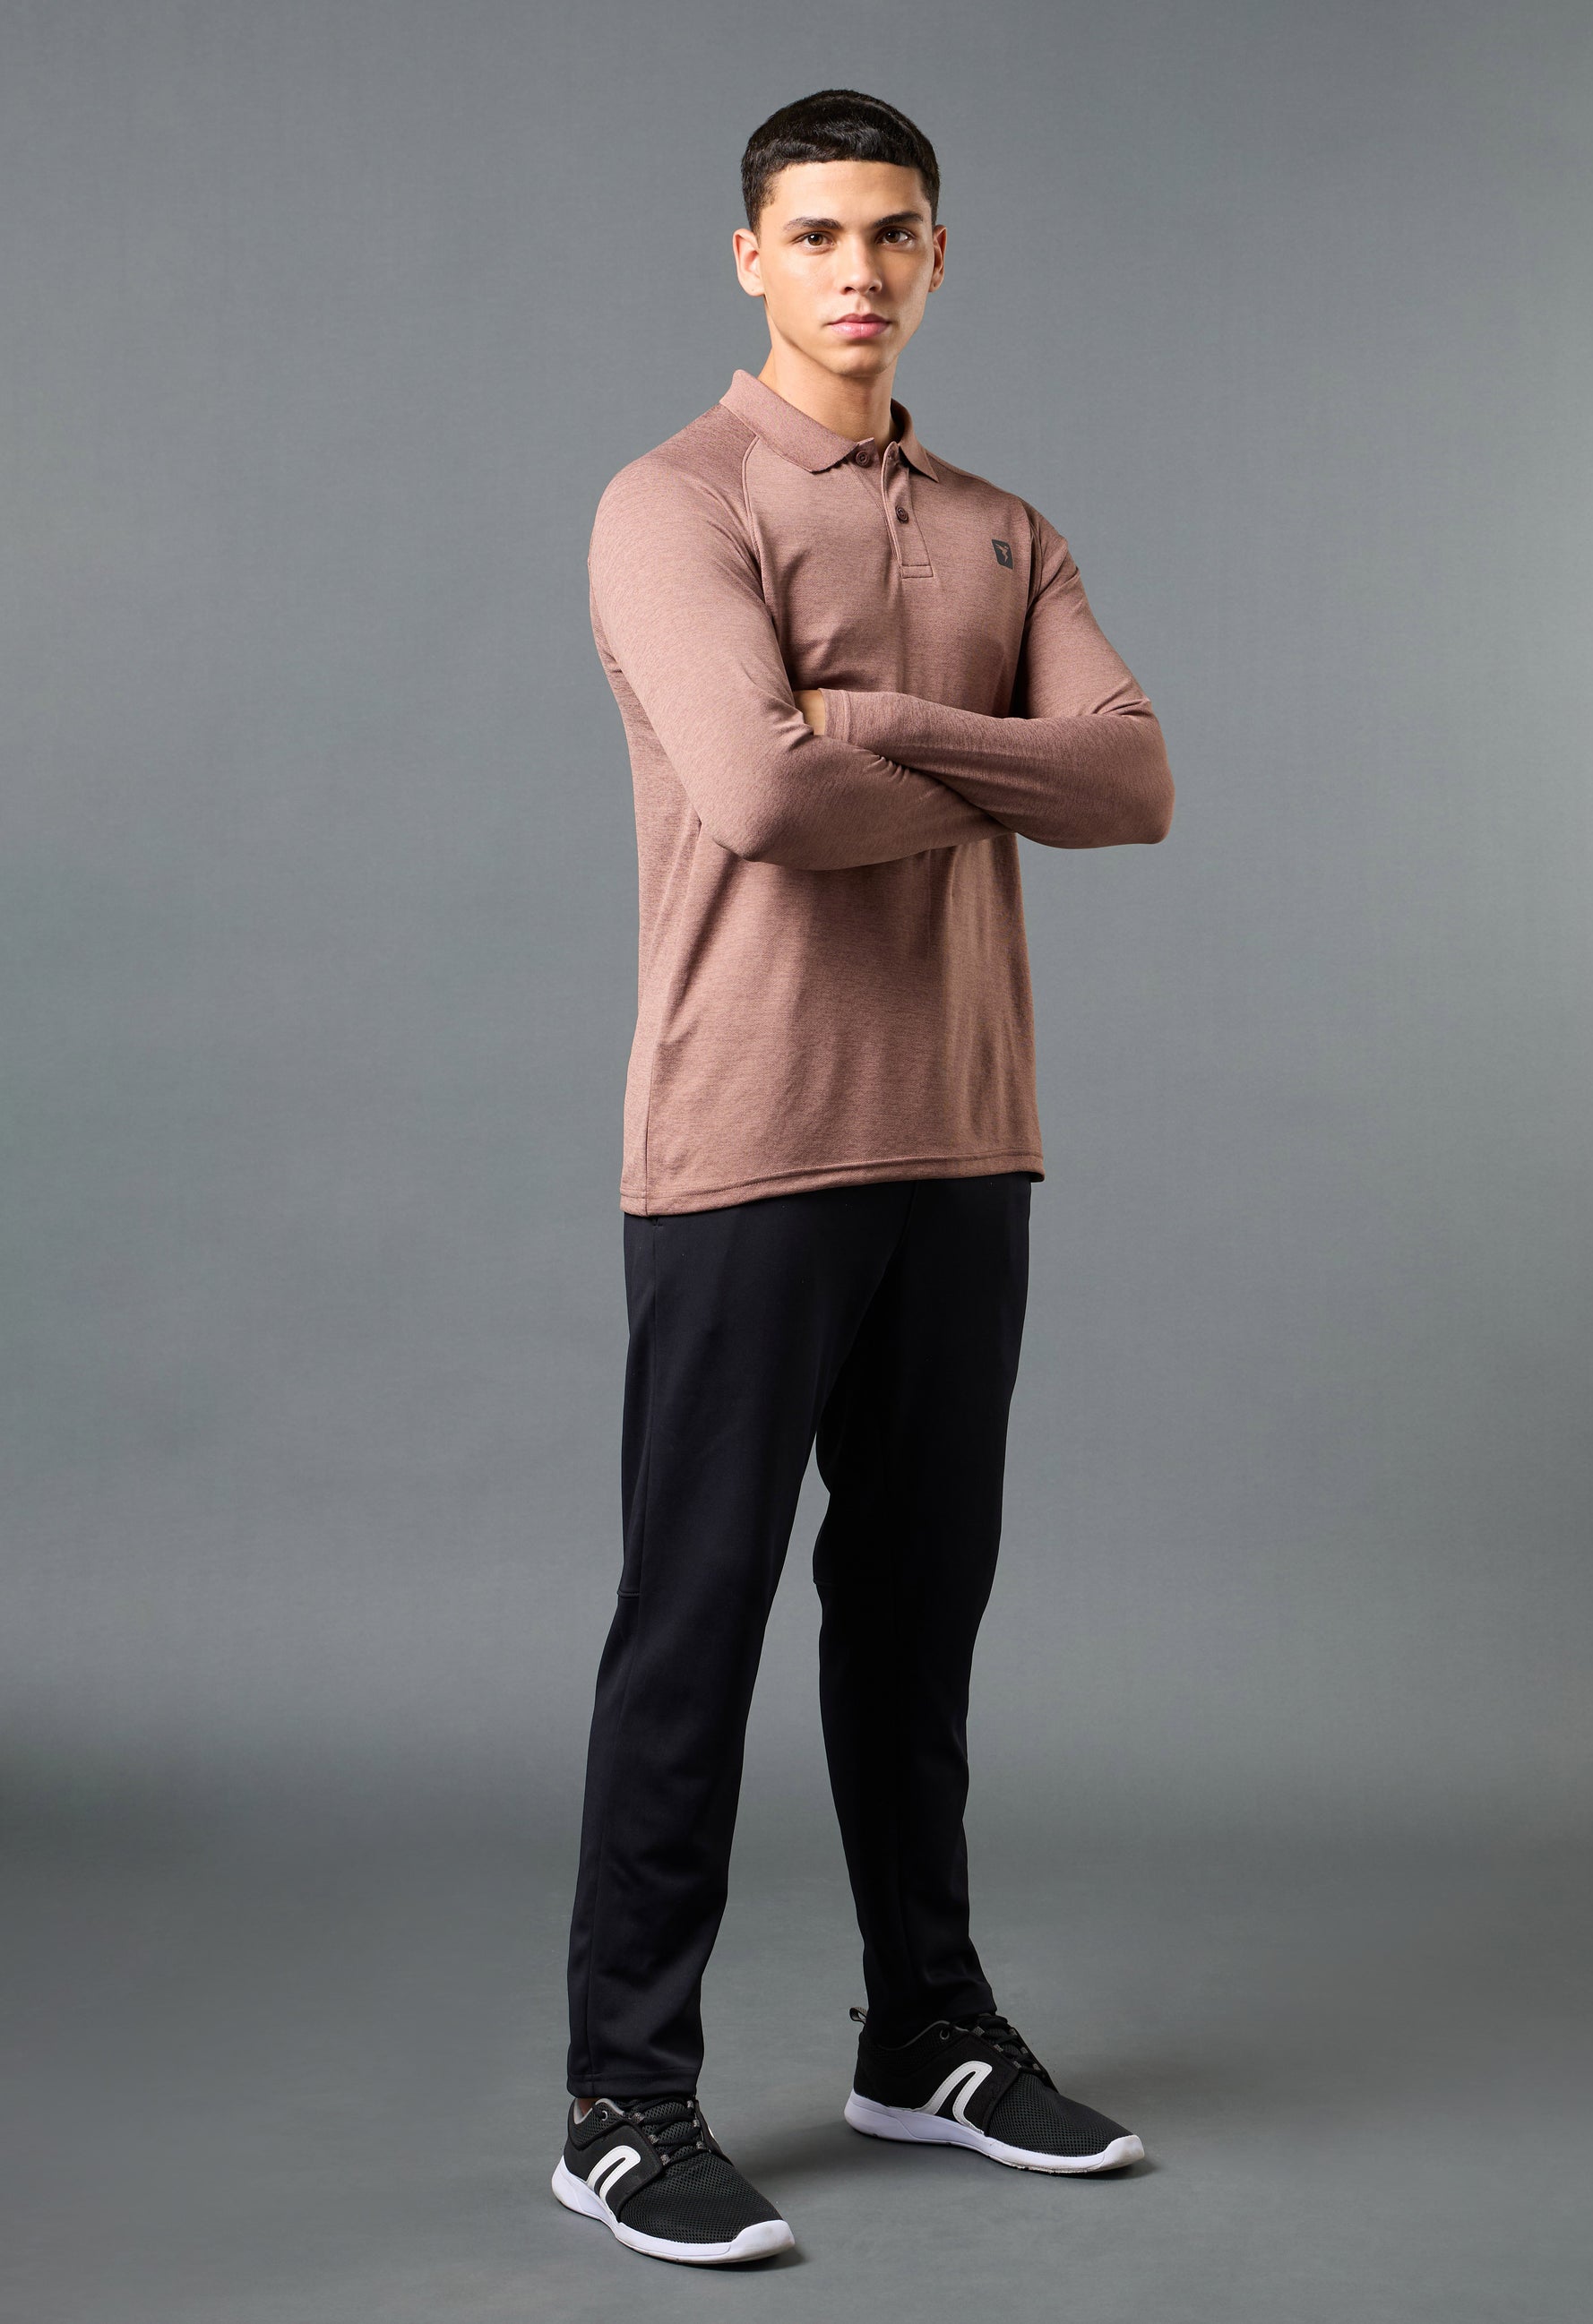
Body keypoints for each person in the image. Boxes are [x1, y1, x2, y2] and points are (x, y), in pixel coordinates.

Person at [552, 87, 1174, 2268]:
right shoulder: (674, 501)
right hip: (745, 1144)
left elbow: (1135, 781)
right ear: (750, 256)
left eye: (892, 232)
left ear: (935, 254)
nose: (856, 270)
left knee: (917, 1621)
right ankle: (622, 2096)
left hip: (965, 1138)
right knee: (695, 1620)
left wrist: (885, 723)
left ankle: (926, 2034)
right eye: (815, 234)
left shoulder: (1003, 530)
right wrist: (984, 767)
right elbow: (756, 798)